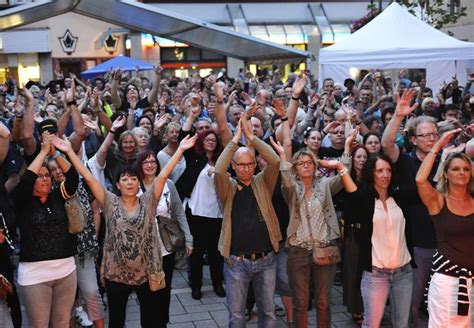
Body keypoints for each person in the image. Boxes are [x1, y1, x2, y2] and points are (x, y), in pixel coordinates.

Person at [51, 132, 196, 327]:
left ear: (138, 184)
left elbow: (162, 177)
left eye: (133, 179)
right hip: (116, 275)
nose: (130, 182)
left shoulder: (148, 201)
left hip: (146, 273)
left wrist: (180, 150)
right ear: (118, 184)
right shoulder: (110, 202)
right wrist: (69, 152)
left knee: (150, 320)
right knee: (117, 321)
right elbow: (87, 176)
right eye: (125, 179)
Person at [274, 128, 355, 328]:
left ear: (315, 164)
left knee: (324, 302)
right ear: (295, 168)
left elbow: (344, 178)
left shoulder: (325, 185)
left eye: (309, 162)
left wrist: (346, 149)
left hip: (324, 248)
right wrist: (284, 157)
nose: (306, 166)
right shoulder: (292, 188)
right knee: (300, 303)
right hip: (297, 251)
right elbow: (285, 182)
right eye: (301, 163)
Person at [215, 115, 281, 327]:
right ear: (233, 166)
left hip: (266, 259)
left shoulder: (263, 182)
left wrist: (252, 138)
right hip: (237, 261)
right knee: (236, 315)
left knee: (269, 313)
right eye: (241, 165)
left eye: (250, 164)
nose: (246, 168)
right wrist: (235, 141)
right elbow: (218, 169)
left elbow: (275, 160)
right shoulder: (228, 188)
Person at [382, 88, 439, 327]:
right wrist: (397, 116)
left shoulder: (447, 159)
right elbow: (386, 143)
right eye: (424, 135)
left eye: (434, 134)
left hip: (444, 242)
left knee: (440, 300)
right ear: (413, 139)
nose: (430, 139)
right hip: (416, 243)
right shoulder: (404, 161)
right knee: (413, 302)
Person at [13, 132, 79, 327]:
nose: (45, 179)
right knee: (39, 325)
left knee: (62, 323)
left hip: (66, 270)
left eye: (47, 175)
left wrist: (56, 154)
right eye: (40, 176)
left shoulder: (57, 196)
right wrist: (42, 153)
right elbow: (25, 181)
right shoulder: (23, 201)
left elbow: (73, 178)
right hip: (35, 274)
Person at [342, 153, 414, 328]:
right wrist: (341, 170)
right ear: (371, 173)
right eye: (380, 170)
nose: (385, 175)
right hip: (376, 274)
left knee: (402, 324)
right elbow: (352, 195)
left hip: (404, 272)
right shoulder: (365, 200)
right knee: (371, 324)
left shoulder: (399, 198)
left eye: (388, 170)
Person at [415, 129, 474, 327]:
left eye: (466, 169)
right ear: (446, 174)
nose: (462, 173)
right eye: (456, 169)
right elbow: (420, 180)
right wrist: (438, 145)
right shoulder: (438, 201)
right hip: (447, 282)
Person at [135, 149, 193, 327]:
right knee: (146, 293)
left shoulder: (168, 184)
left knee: (164, 289)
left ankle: (162, 322)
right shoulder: (133, 185)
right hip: (143, 249)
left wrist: (188, 238)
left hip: (165, 246)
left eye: (153, 162)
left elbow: (178, 212)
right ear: (140, 166)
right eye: (146, 162)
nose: (150, 165)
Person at [46, 156, 105, 328]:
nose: (57, 171)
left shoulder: (83, 185)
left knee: (92, 292)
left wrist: (93, 235)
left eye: (59, 167)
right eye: (52, 169)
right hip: (61, 254)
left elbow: (95, 211)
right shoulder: (49, 192)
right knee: (67, 298)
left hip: (85, 249)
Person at [175, 105, 226, 300]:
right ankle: (195, 285)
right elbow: (183, 136)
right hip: (196, 213)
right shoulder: (194, 157)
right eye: (208, 139)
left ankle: (217, 283)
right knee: (195, 254)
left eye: (214, 139)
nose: (211, 141)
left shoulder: (222, 160)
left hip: (217, 214)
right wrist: (192, 115)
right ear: (203, 142)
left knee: (216, 254)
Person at [342, 145, 368, 325]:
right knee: (352, 271)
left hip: (369, 231)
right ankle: (355, 308)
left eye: (364, 157)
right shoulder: (345, 178)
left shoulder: (372, 179)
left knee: (368, 272)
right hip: (352, 230)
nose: (361, 160)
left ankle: (368, 306)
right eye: (358, 157)